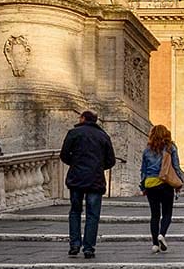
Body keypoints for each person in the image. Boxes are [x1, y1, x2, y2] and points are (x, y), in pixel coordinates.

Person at [60, 110, 116, 259]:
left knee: (75, 211)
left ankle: (74, 244)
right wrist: (98, 166)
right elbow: (111, 160)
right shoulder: (103, 136)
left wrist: (75, 163)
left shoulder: (73, 133)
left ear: (83, 118)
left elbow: (64, 155)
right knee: (93, 215)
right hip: (95, 179)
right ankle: (89, 248)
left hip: (76, 178)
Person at [139, 125, 182, 254]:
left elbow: (143, 170)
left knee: (155, 215)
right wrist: (178, 183)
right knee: (167, 213)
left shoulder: (147, 150)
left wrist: (143, 186)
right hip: (165, 183)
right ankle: (161, 234)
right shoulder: (171, 148)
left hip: (150, 184)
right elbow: (176, 166)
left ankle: (155, 244)